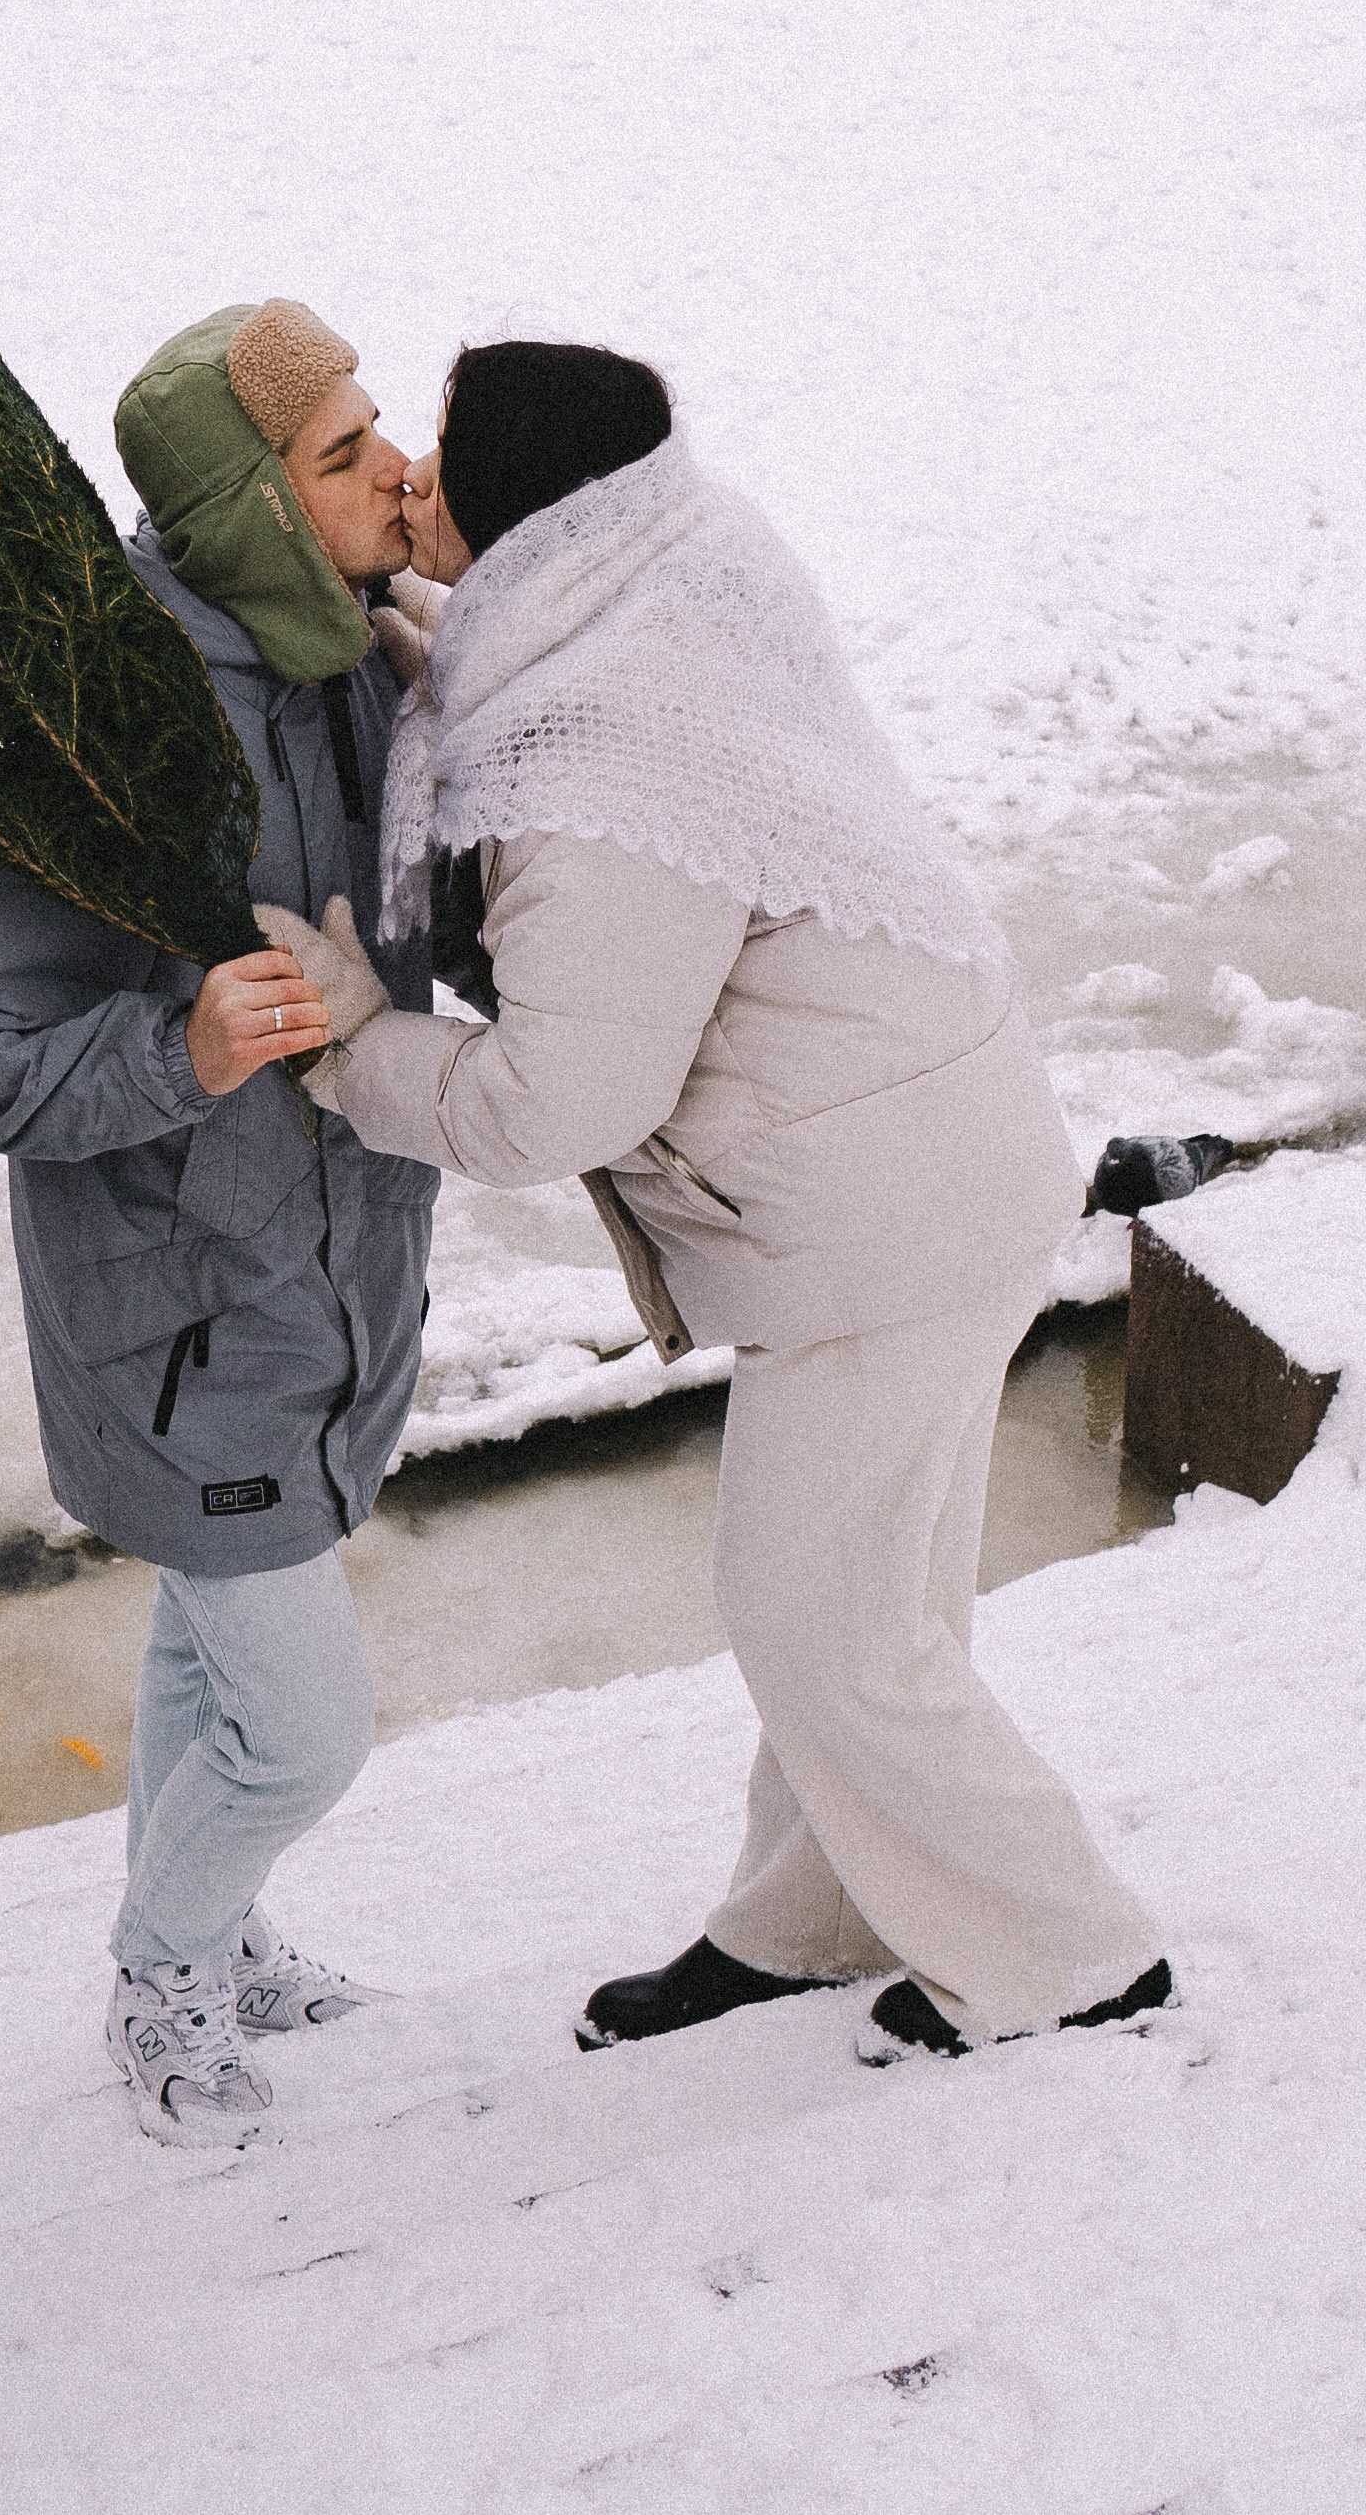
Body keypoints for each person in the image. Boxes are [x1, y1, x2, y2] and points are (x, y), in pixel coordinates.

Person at [285, 339, 1169, 2062]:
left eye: (439, 456)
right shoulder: (664, 565)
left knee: (818, 1618)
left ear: (538, 519)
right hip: (918, 1147)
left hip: (879, 1218)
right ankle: (819, 1916)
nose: (408, 475)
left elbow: (555, 1098)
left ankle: (1072, 1960)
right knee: (865, 1607)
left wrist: (351, 1039)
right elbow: (511, 678)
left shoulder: (606, 771)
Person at [0, 297, 441, 2146]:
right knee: (300, 1728)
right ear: (242, 512)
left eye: (378, 424)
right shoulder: (110, 730)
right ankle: (166, 1965)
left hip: (328, 1277)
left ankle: (215, 1939)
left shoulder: (356, 657)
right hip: (181, 1319)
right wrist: (183, 1041)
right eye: (340, 452)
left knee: (196, 1654)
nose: (395, 464)